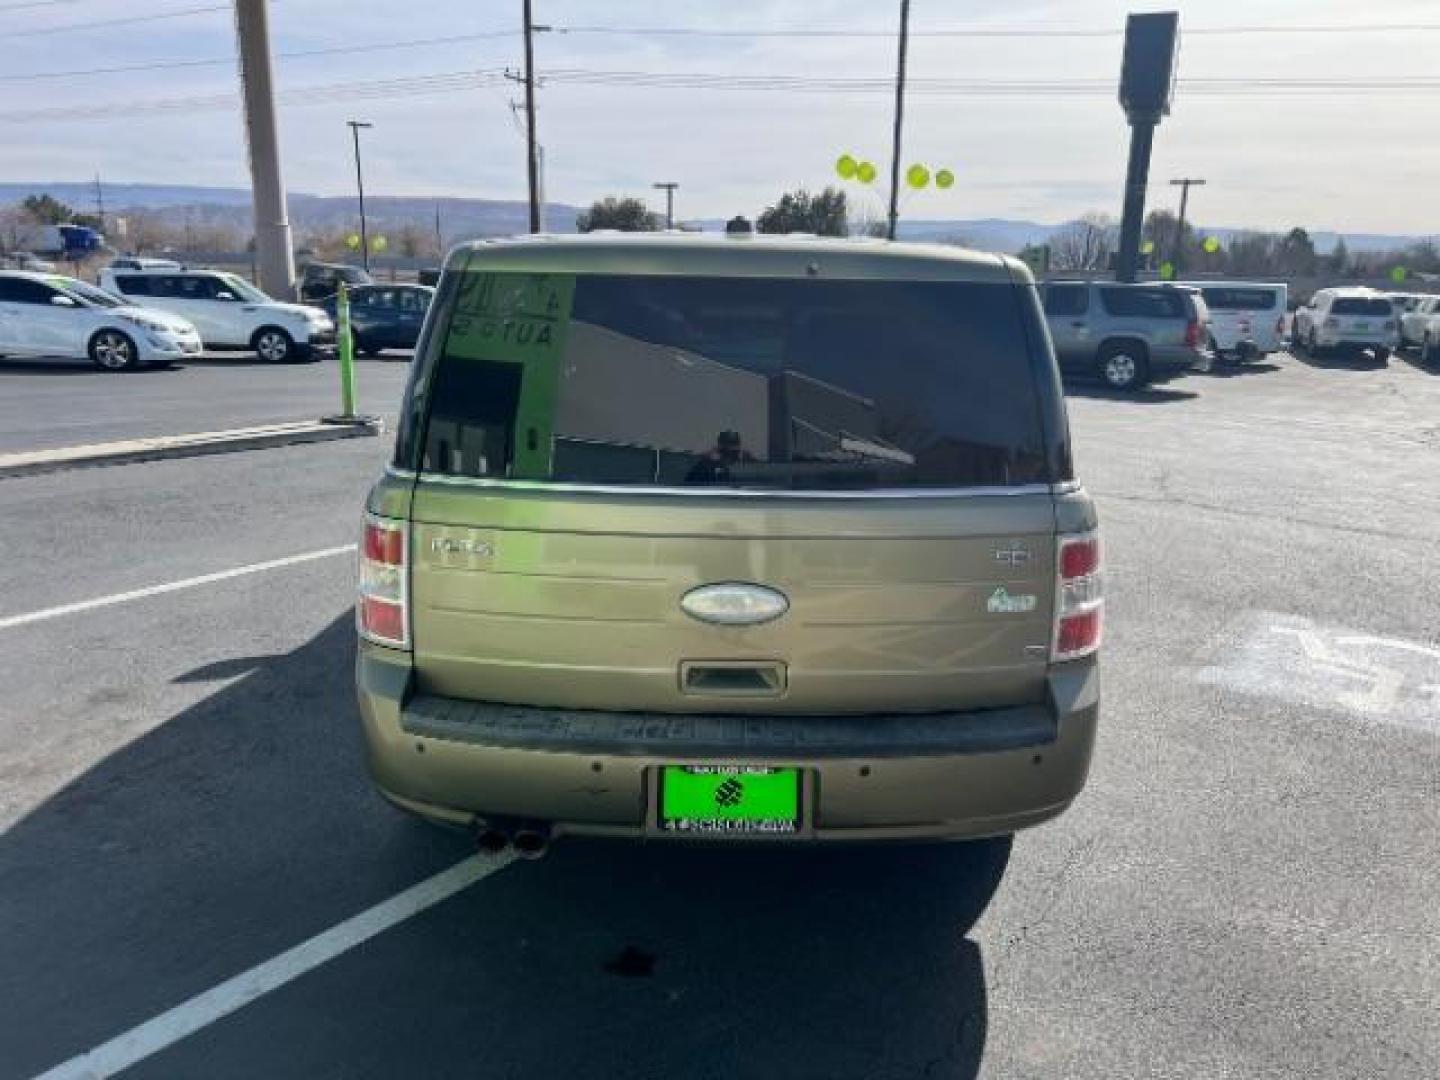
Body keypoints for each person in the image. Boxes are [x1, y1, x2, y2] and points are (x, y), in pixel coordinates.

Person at [685, 429, 756, 484]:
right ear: (719, 446)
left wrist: (748, 461)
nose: (730, 449)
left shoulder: (746, 462)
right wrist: (710, 463)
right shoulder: (705, 463)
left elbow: (760, 478)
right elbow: (690, 482)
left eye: (733, 445)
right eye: (726, 445)